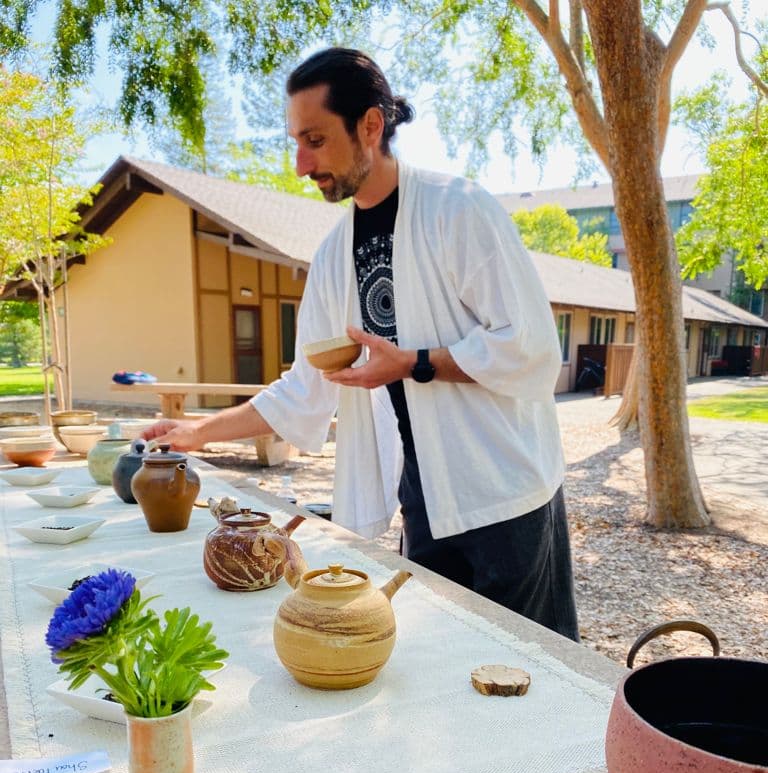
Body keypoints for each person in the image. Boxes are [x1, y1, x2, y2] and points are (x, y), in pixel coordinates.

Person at [141, 47, 579, 641]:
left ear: (371, 125)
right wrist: (198, 432)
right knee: (443, 667)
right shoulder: (332, 256)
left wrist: (415, 364)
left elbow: (529, 346)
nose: (300, 163)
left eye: (315, 140)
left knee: (535, 671)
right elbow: (305, 387)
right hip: (425, 501)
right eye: (296, 141)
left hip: (507, 494)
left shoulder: (459, 210)